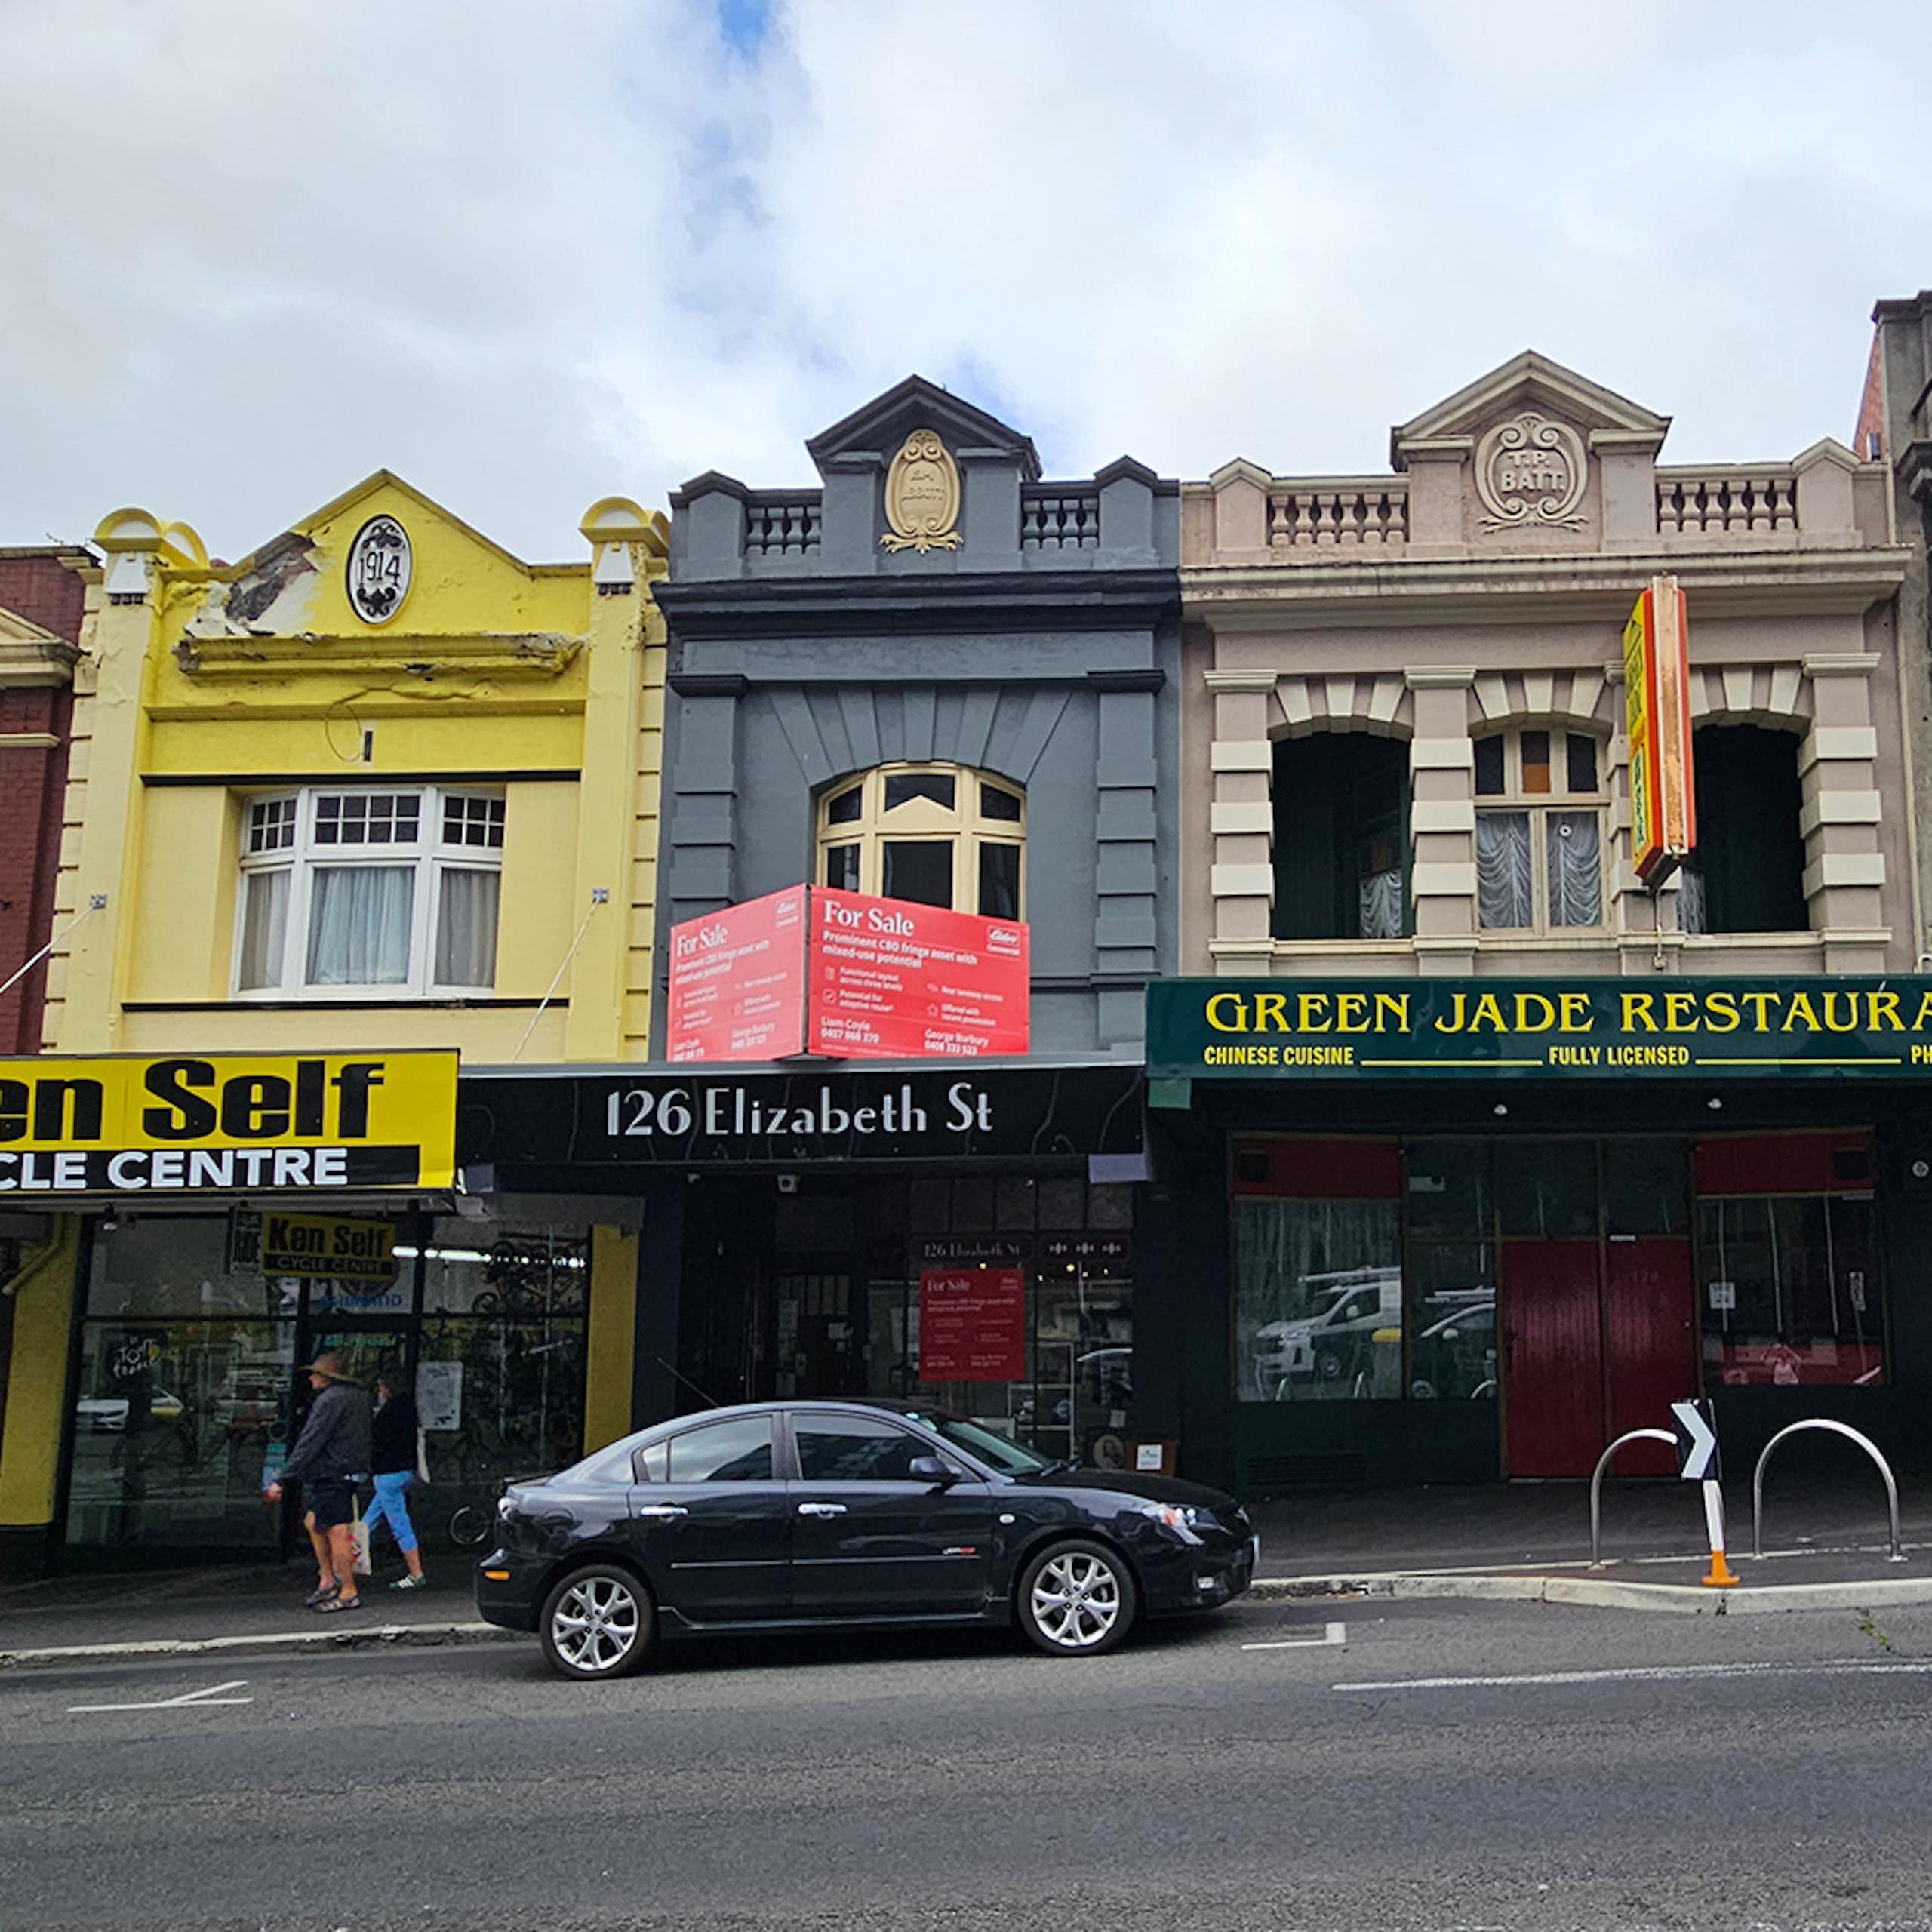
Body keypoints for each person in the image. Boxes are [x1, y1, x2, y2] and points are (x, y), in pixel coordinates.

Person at [266, 1352, 373, 1614]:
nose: (311, 1378)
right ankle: (327, 1580)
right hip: (349, 1470)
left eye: (315, 1373)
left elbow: (311, 1440)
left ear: (328, 1376)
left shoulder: (329, 1400)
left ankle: (348, 1590)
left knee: (338, 1532)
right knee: (313, 1523)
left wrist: (283, 1478)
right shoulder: (359, 1397)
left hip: (332, 1473)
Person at [364, 1365, 427, 1590]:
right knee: (368, 1521)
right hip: (404, 1471)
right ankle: (347, 1564)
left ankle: (416, 1572)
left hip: (387, 1474)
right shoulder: (409, 1408)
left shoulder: (387, 1413)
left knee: (399, 1524)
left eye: (381, 1386)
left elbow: (377, 1444)